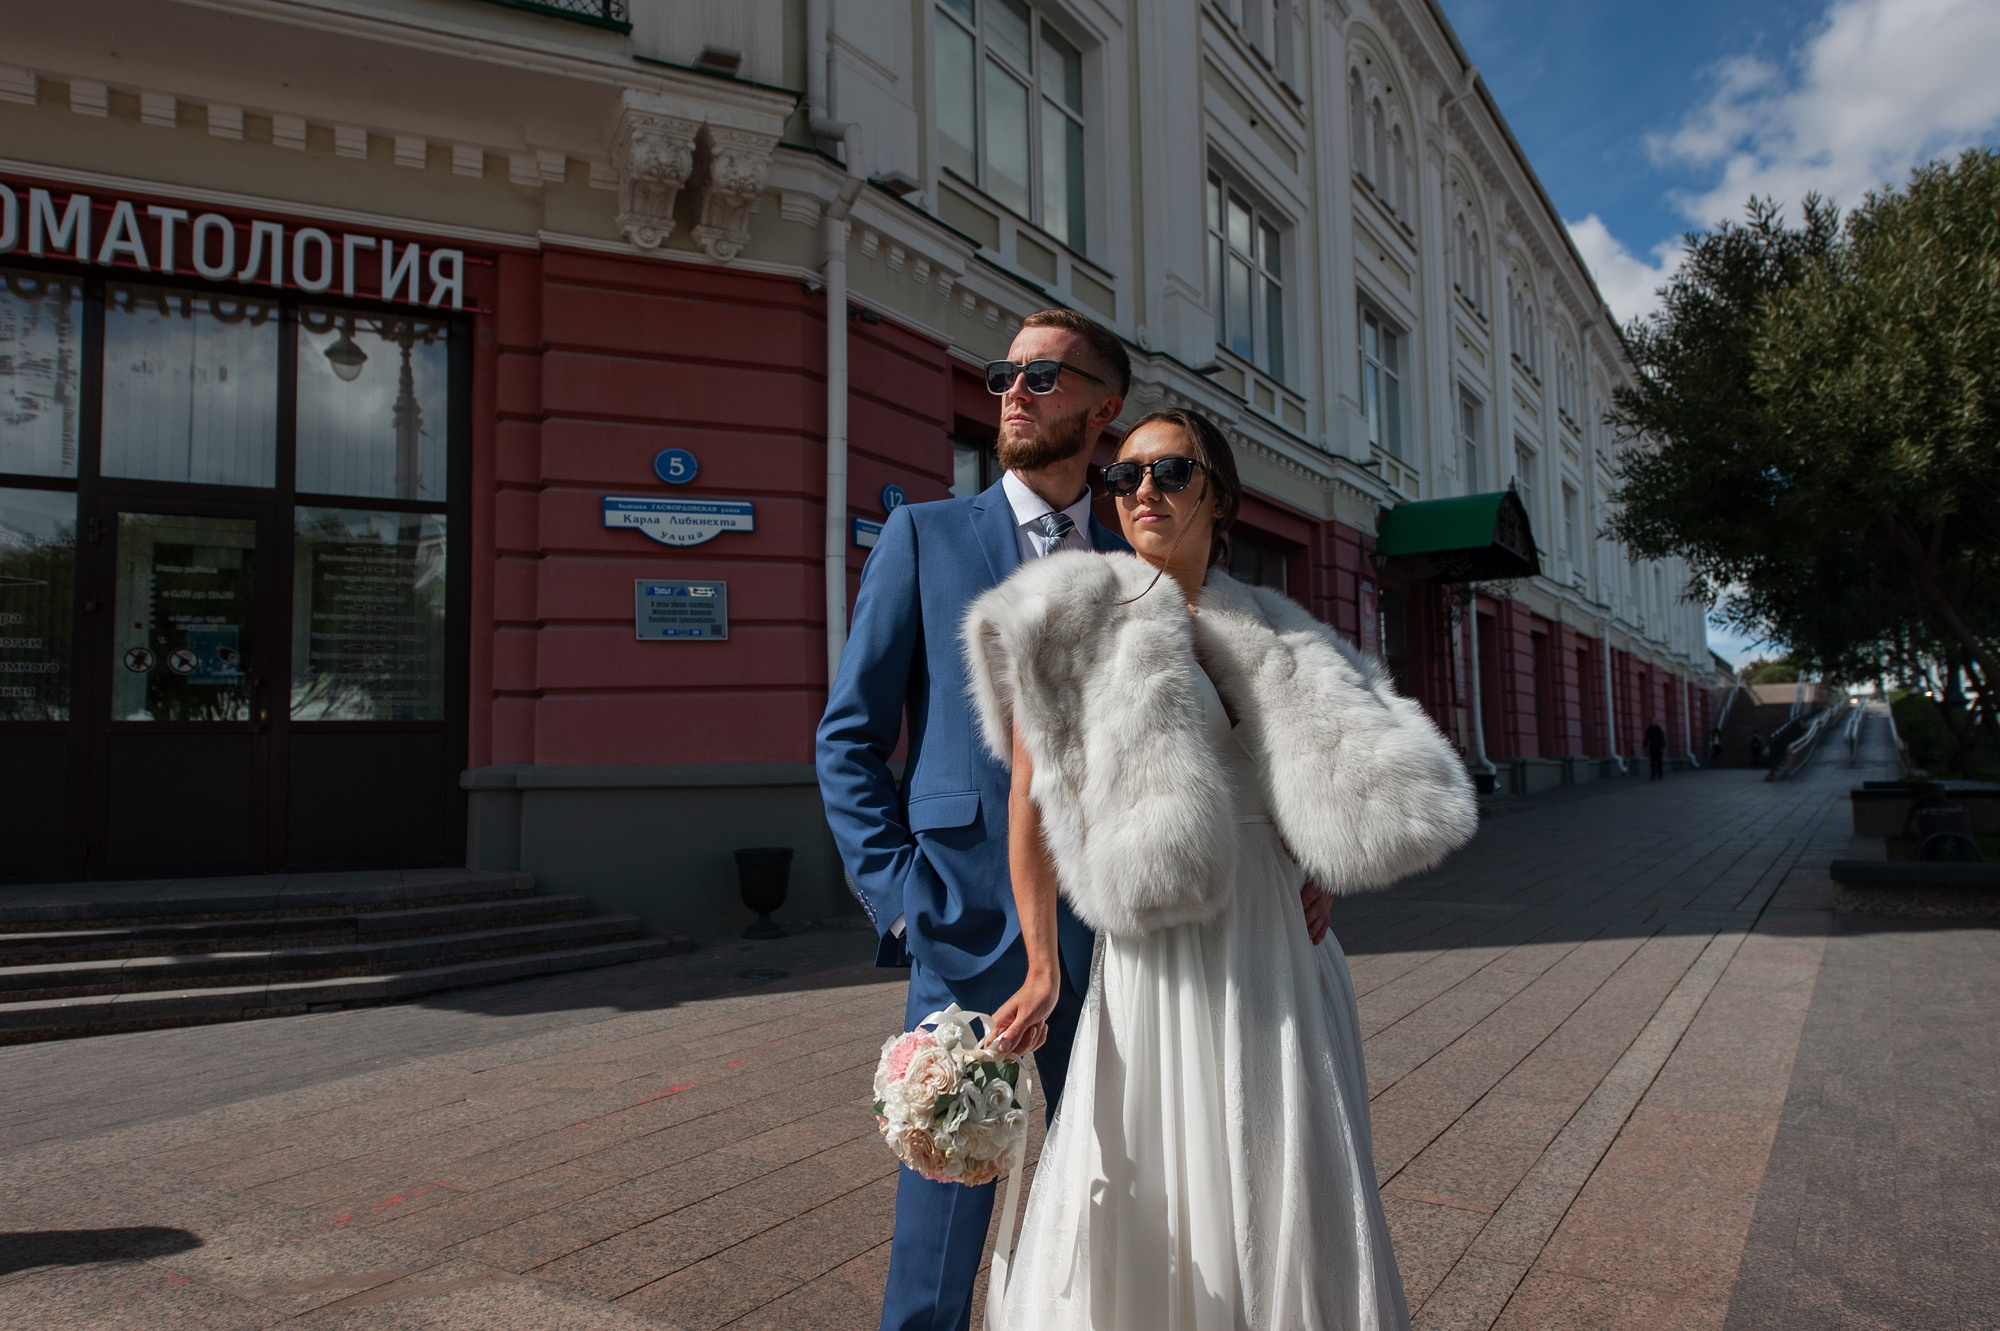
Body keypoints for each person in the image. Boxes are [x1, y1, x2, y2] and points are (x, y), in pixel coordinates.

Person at [817, 312, 1336, 1331]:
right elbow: (848, 737)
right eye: (1002, 371)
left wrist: (1295, 840)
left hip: (1128, 947)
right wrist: (900, 899)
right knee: (938, 1230)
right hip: (961, 928)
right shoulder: (925, 537)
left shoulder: (1135, 563)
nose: (1011, 388)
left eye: (1040, 374)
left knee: (1130, 1205)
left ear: (1102, 405)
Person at [969, 408, 1478, 1331]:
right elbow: (1033, 808)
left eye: (1169, 471)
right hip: (1161, 955)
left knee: (1286, 1167)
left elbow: (1329, 778)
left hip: (1282, 945)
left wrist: (1312, 849)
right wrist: (1043, 964)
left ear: (1221, 493)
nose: (1143, 492)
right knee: (1161, 1171)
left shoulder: (1280, 631)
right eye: (1122, 479)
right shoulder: (1076, 618)